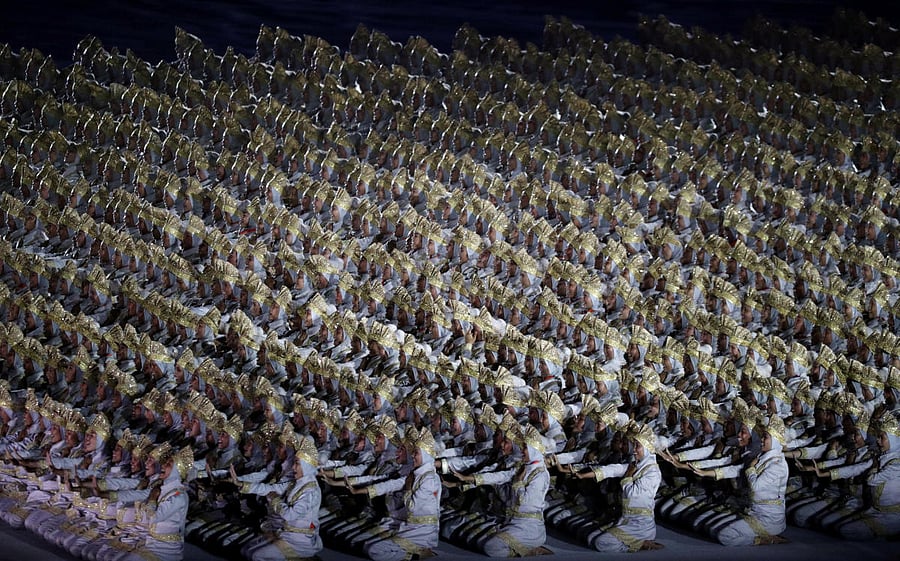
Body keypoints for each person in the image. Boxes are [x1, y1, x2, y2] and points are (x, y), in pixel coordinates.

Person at [448, 423, 552, 557]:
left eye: (525, 448)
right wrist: (468, 478)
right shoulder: (524, 467)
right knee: (475, 541)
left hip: (529, 526)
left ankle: (531, 549)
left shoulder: (540, 474)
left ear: (534, 450)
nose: (522, 450)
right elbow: (499, 476)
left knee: (491, 547)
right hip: (513, 521)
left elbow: (526, 503)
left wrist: (518, 483)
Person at [687, 413, 789, 546]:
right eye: (763, 436)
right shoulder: (762, 457)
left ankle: (766, 539)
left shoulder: (777, 464)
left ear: (775, 440)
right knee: (709, 528)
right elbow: (735, 470)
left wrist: (750, 469)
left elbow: (756, 488)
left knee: (725, 536)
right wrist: (705, 473)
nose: (762, 440)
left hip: (768, 518)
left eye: (766, 437)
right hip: (753, 511)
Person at [566, 421, 663, 552]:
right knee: (590, 538)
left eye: (638, 446)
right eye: (634, 445)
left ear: (646, 448)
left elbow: (632, 494)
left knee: (601, 543)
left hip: (640, 523)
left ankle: (640, 543)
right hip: (626, 518)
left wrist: (627, 477)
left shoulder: (653, 472)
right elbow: (613, 469)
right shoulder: (637, 465)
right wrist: (583, 475)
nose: (634, 450)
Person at [348, 426, 441, 561]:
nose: (412, 456)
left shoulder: (430, 479)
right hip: (406, 525)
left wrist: (408, 489)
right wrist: (357, 488)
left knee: (373, 551)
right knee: (359, 543)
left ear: (425, 455)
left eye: (416, 453)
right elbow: (389, 484)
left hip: (421, 530)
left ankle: (416, 555)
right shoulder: (416, 474)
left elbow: (414, 508)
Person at [240, 433, 324, 561]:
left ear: (306, 466)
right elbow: (271, 488)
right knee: (246, 551)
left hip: (301, 539)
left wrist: (275, 500)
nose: (293, 467)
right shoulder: (295, 483)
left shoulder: (311, 491)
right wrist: (242, 485)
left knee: (256, 556)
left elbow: (290, 515)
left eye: (297, 463)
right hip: (286, 533)